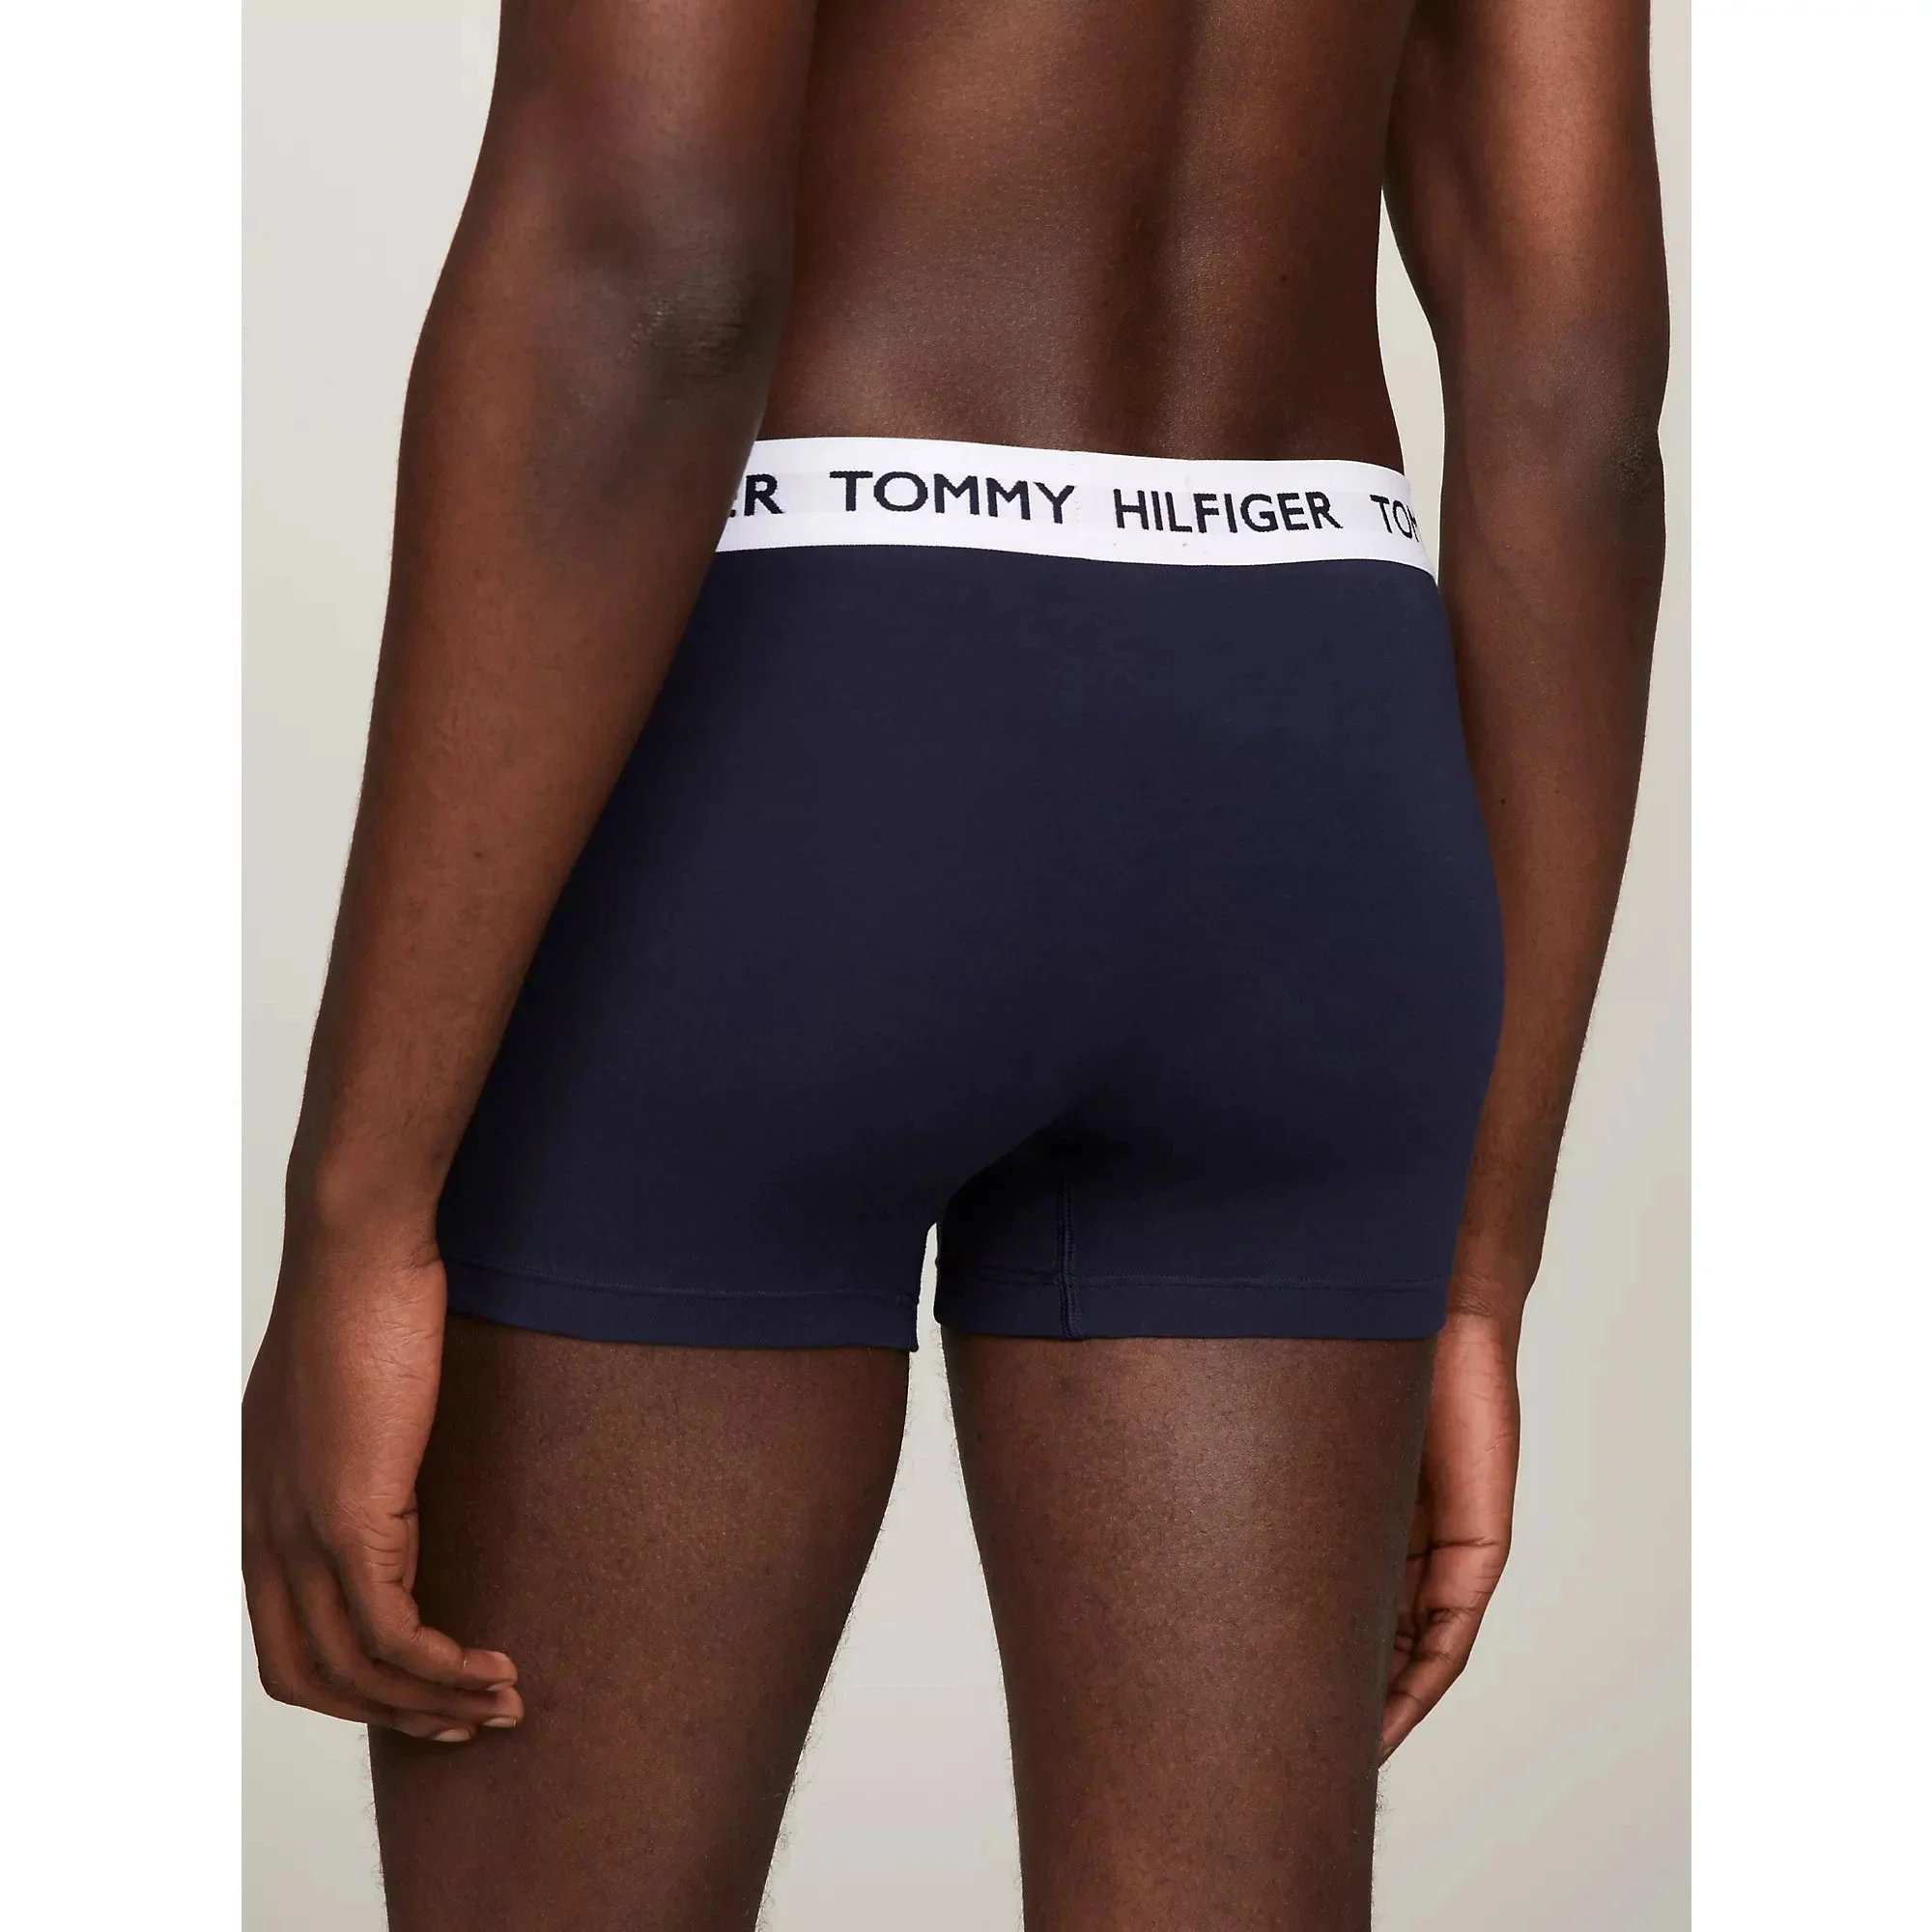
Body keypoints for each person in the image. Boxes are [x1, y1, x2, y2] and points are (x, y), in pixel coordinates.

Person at [242, 0, 1666, 1922]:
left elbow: (645, 260)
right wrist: (1479, 1265)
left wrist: (357, 1214)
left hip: (815, 711)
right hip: (1313, 728)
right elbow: (1574, 400)